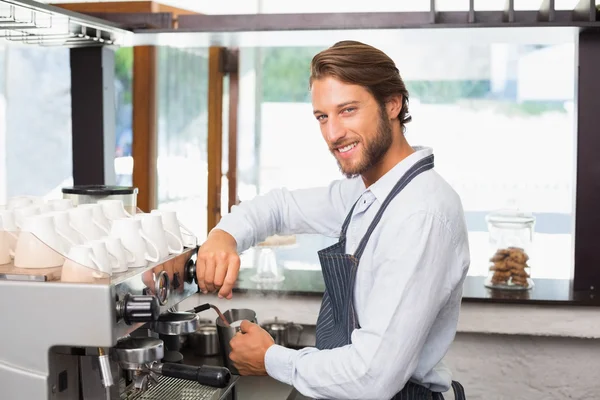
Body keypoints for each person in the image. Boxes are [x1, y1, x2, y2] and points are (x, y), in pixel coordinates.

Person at [195, 40, 470, 400]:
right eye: (323, 117)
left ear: (392, 104)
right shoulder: (369, 192)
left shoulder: (421, 215)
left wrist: (271, 359)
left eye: (348, 110)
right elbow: (279, 208)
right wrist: (224, 235)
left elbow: (373, 377)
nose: (332, 133)